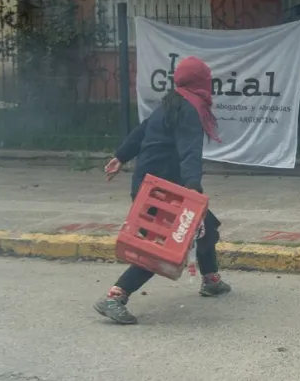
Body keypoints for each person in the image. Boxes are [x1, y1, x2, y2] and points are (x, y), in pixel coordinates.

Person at [93, 55, 230, 325]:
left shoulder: (173, 100)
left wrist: (121, 156)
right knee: (163, 248)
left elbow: (144, 130)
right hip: (168, 190)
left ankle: (211, 279)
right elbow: (190, 152)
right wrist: (195, 195)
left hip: (151, 184)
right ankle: (115, 296)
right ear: (200, 82)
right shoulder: (189, 107)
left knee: (208, 228)